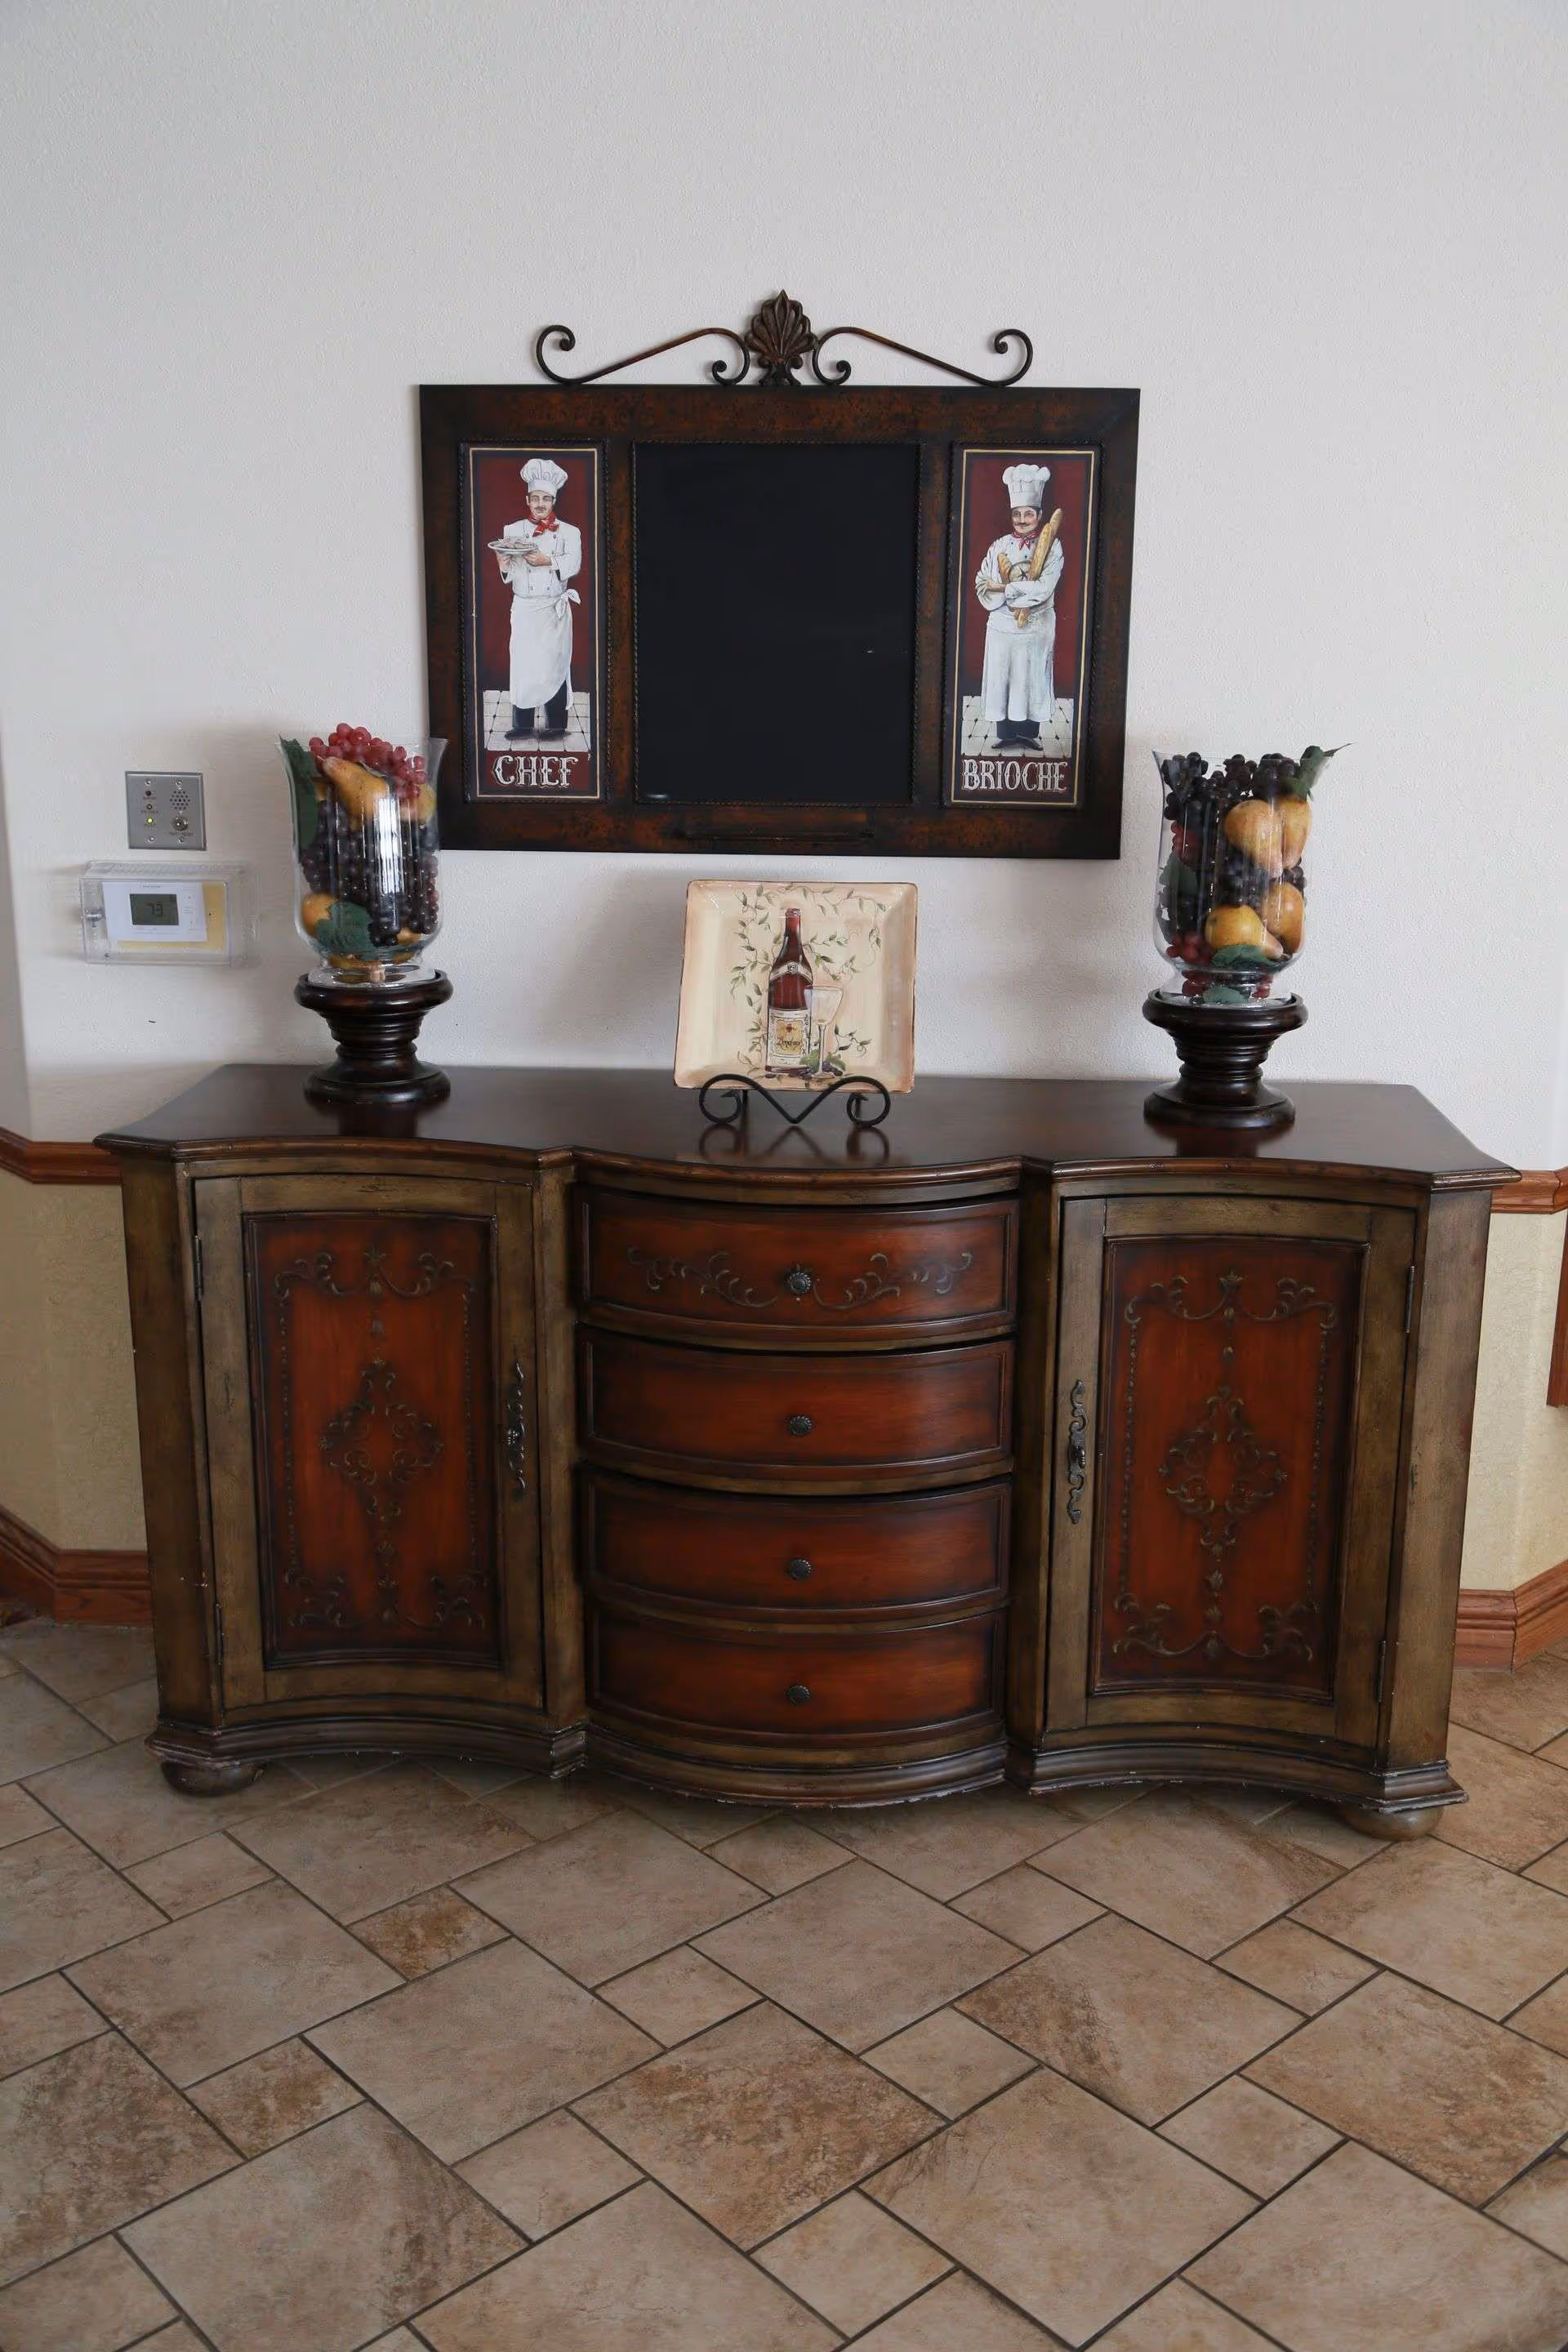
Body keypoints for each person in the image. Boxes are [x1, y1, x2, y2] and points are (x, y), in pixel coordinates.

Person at [973, 462, 1064, 752]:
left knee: (1032, 678)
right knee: (1004, 678)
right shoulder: (998, 546)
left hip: (1036, 628)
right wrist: (1004, 593)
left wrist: (1008, 588)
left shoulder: (1052, 547)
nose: (1022, 519)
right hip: (1002, 629)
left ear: (1038, 515)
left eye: (1028, 513)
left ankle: (1028, 733)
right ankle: (1006, 733)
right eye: (1017, 514)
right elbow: (982, 582)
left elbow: (1044, 588)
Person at [495, 458, 581, 742]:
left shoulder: (570, 532)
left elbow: (575, 563)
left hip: (553, 608)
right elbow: (510, 572)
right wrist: (504, 563)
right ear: (528, 499)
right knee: (523, 665)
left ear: (553, 500)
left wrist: (548, 560)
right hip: (524, 608)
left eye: (546, 498)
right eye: (536, 498)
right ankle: (522, 725)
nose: (541, 503)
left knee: (555, 664)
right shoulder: (512, 530)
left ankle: (556, 724)